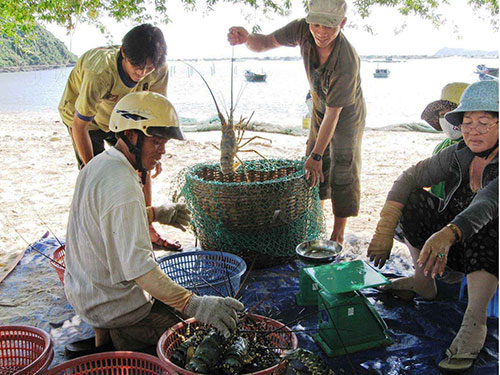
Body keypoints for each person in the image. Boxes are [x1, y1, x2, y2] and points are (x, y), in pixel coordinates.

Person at [64, 91, 244, 353]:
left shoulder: (99, 164)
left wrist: (157, 213)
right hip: (112, 306)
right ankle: (119, 339)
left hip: (84, 291)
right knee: (191, 333)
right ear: (131, 135)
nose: (162, 151)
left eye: (165, 143)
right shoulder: (123, 185)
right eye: (157, 142)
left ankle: (106, 337)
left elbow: (108, 224)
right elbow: (141, 270)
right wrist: (196, 305)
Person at [367, 80, 498, 373]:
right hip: (450, 246)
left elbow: (486, 204)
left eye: (484, 122)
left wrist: (447, 233)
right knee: (411, 199)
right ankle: (423, 281)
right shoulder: (458, 154)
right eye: (467, 122)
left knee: (490, 223)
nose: (473, 130)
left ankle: (474, 322)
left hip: (489, 251)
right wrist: (384, 228)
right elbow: (409, 176)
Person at [228, 0, 366, 244]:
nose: (321, 32)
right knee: (314, 164)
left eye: (329, 27)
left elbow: (334, 115)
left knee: (343, 165)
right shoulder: (302, 30)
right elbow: (266, 42)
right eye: (316, 24)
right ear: (308, 20)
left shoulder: (347, 60)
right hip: (319, 106)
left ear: (342, 24)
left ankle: (338, 234)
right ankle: (316, 221)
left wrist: (317, 156)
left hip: (346, 114)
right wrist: (246, 38)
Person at [58, 23, 180, 251]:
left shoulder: (159, 70)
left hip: (123, 116)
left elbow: (155, 116)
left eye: (149, 68)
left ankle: (147, 227)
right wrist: (94, 170)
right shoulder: (99, 72)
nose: (142, 73)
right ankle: (100, 235)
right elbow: (79, 125)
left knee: (142, 167)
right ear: (123, 53)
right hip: (85, 121)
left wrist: (154, 153)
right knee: (96, 181)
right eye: (136, 66)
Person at [421, 82, 469, 198]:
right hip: (440, 207)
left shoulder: (476, 145)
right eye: (442, 115)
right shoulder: (441, 147)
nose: (446, 119)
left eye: (451, 113)